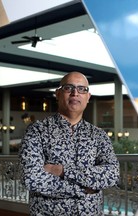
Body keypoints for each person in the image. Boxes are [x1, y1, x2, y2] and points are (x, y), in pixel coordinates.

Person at [19, 72, 120, 216]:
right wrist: (83, 189)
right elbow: (31, 178)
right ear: (58, 94)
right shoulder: (37, 130)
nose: (75, 93)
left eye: (81, 89)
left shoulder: (98, 135)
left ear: (88, 97)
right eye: (68, 88)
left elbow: (112, 174)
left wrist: (62, 171)